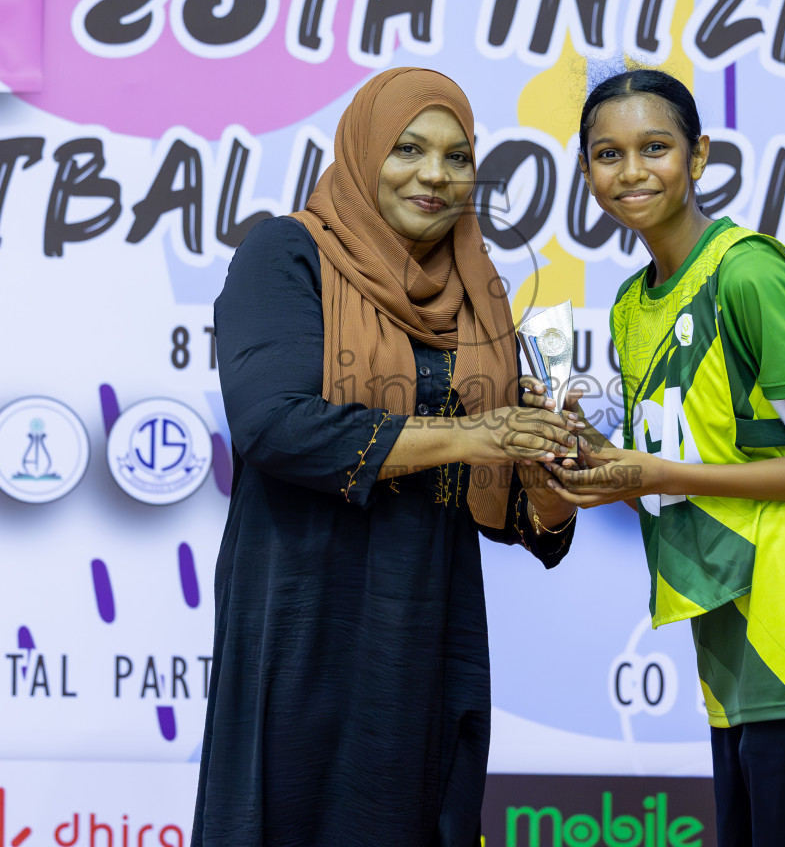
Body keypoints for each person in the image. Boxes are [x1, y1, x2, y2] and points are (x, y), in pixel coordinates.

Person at [190, 67, 580, 847]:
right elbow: (274, 424)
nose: (434, 175)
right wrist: (479, 433)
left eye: (457, 157)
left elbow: (513, 512)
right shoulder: (288, 253)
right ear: (363, 150)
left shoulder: (479, 293)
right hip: (307, 612)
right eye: (408, 148)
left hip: (429, 620)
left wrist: (549, 462)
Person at [538, 69, 785, 846]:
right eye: (608, 154)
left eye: (655, 147)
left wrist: (660, 473)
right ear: (586, 170)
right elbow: (682, 479)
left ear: (698, 156)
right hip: (729, 628)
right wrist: (603, 465)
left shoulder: (749, 273)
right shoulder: (636, 303)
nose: (631, 172)